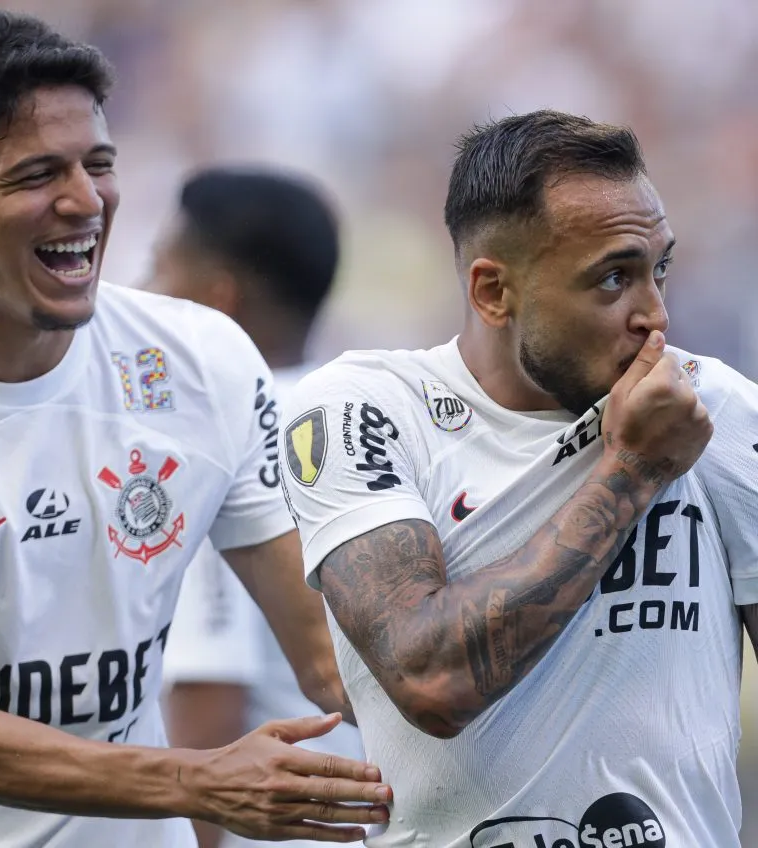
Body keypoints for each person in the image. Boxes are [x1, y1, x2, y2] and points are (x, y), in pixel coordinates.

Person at [0, 11, 391, 848]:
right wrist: (196, 778)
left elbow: (324, 651)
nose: (86, 202)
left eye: (99, 165)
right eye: (35, 175)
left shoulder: (203, 364)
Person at [278, 109, 758, 847]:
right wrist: (632, 472)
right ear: (493, 292)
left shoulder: (717, 410)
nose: (656, 315)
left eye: (658, 268)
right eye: (612, 280)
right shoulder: (364, 411)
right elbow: (432, 681)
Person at [147, 166, 366, 848]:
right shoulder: (360, 416)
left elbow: (207, 702)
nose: (141, 300)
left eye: (159, 274)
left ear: (214, 301)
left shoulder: (214, 443)